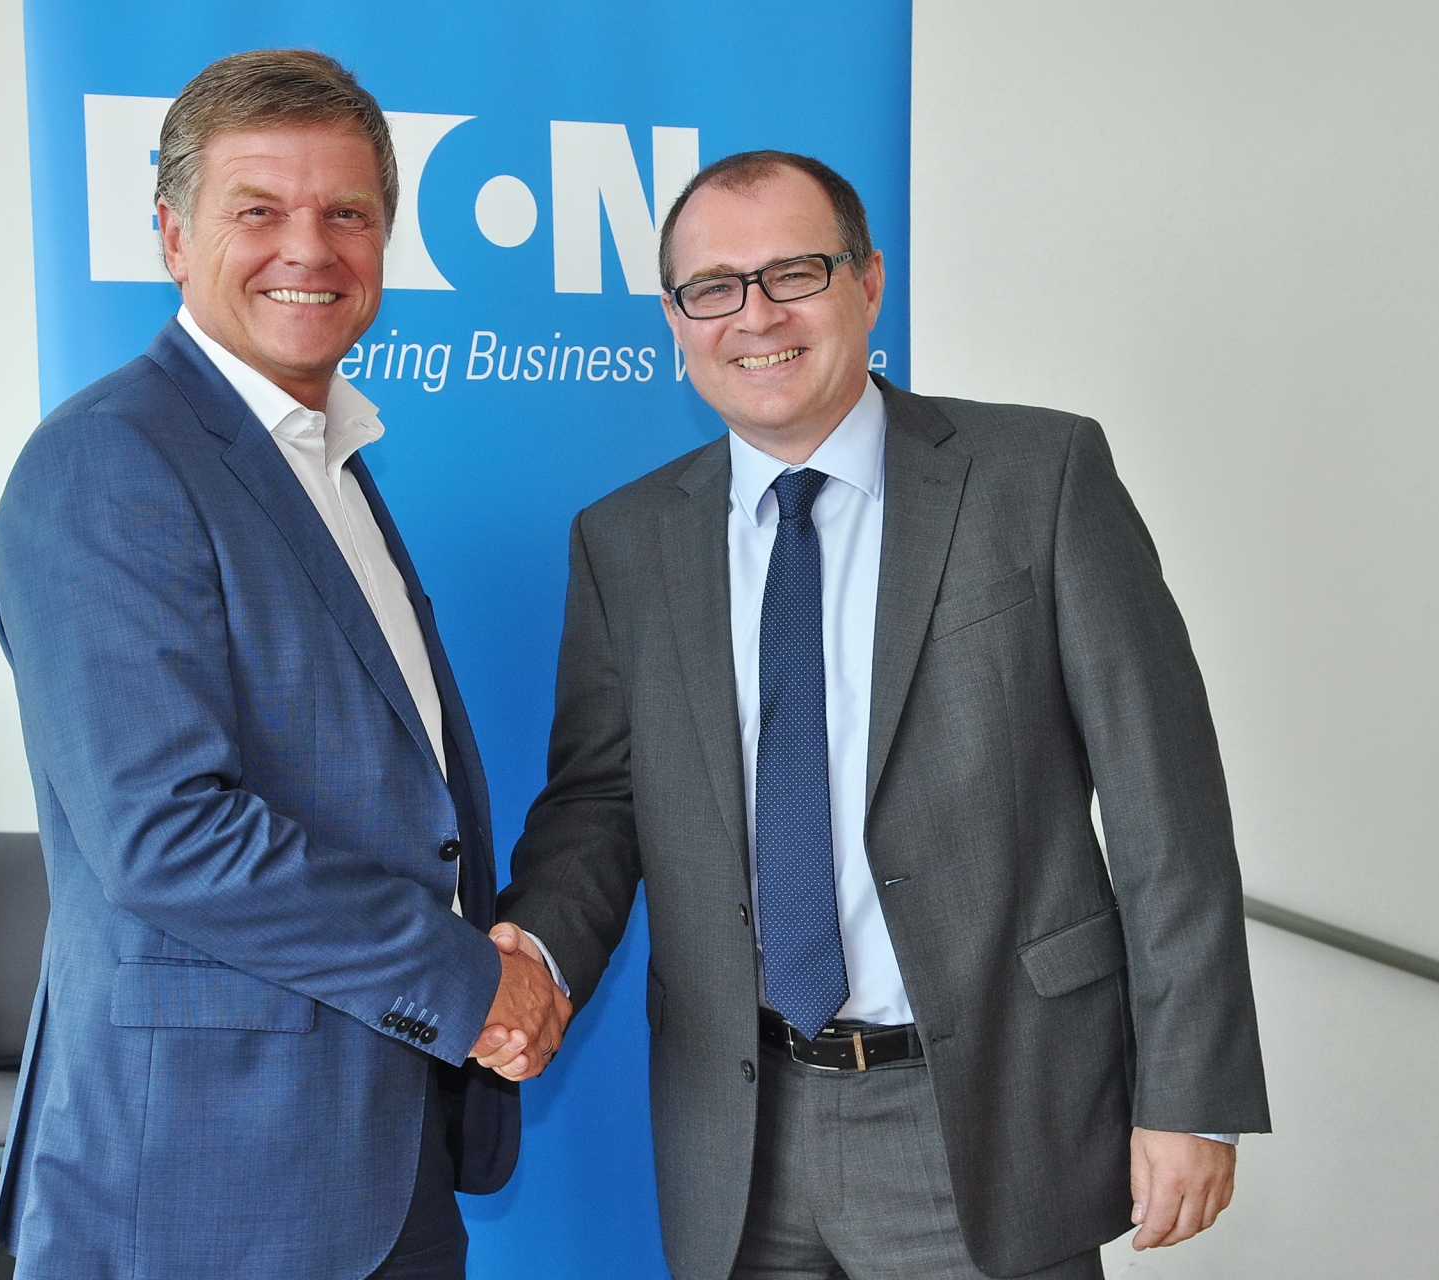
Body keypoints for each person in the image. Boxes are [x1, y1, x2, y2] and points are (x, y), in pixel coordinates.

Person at [494, 152, 1270, 1280]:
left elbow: (1168, 804)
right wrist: (536, 948)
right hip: (739, 1129)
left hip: (986, 1115)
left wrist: (1189, 1092)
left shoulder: (1038, 475)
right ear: (675, 319)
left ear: (867, 283)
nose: (756, 315)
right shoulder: (625, 540)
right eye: (714, 287)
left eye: (794, 273)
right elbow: (602, 802)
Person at [0, 50, 568, 1280]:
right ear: (172, 235)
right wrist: (464, 979)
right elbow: (167, 830)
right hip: (209, 1181)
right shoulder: (111, 460)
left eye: (347, 213)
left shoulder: (327, 459)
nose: (310, 248)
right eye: (258, 209)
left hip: (383, 1148)